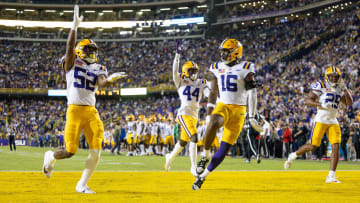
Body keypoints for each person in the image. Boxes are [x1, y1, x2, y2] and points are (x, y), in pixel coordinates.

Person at [42, 5, 127, 194]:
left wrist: (109, 79)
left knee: (96, 150)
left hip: (91, 112)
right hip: (74, 110)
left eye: (93, 51)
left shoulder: (98, 67)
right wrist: (74, 27)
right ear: (80, 51)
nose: (92, 54)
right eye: (88, 50)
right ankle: (50, 156)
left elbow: (101, 82)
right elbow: (69, 48)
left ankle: (81, 184)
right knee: (70, 151)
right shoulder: (72, 61)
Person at [193, 38, 262, 190]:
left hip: (239, 110)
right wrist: (210, 108)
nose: (223, 54)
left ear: (235, 52)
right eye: (222, 51)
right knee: (214, 122)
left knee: (224, 150)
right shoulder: (216, 67)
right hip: (223, 105)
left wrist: (252, 115)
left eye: (226, 51)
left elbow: (252, 92)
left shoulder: (246, 66)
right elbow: (213, 89)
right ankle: (205, 156)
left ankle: (203, 177)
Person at [284, 66, 353, 183]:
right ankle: (293, 155)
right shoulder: (321, 85)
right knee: (313, 145)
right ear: (327, 76)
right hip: (321, 120)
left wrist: (345, 88)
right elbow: (308, 100)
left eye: (336, 76)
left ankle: (331, 176)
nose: (334, 78)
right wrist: (319, 105)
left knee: (336, 146)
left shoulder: (340, 88)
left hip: (333, 121)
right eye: (332, 76)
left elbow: (349, 102)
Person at [165, 41, 207, 176]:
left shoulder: (202, 82)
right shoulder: (181, 80)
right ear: (185, 71)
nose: (194, 73)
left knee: (183, 142)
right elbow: (174, 71)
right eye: (191, 71)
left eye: (195, 71)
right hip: (184, 114)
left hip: (194, 115)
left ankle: (169, 158)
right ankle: (193, 167)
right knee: (194, 137)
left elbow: (207, 92)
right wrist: (177, 56)